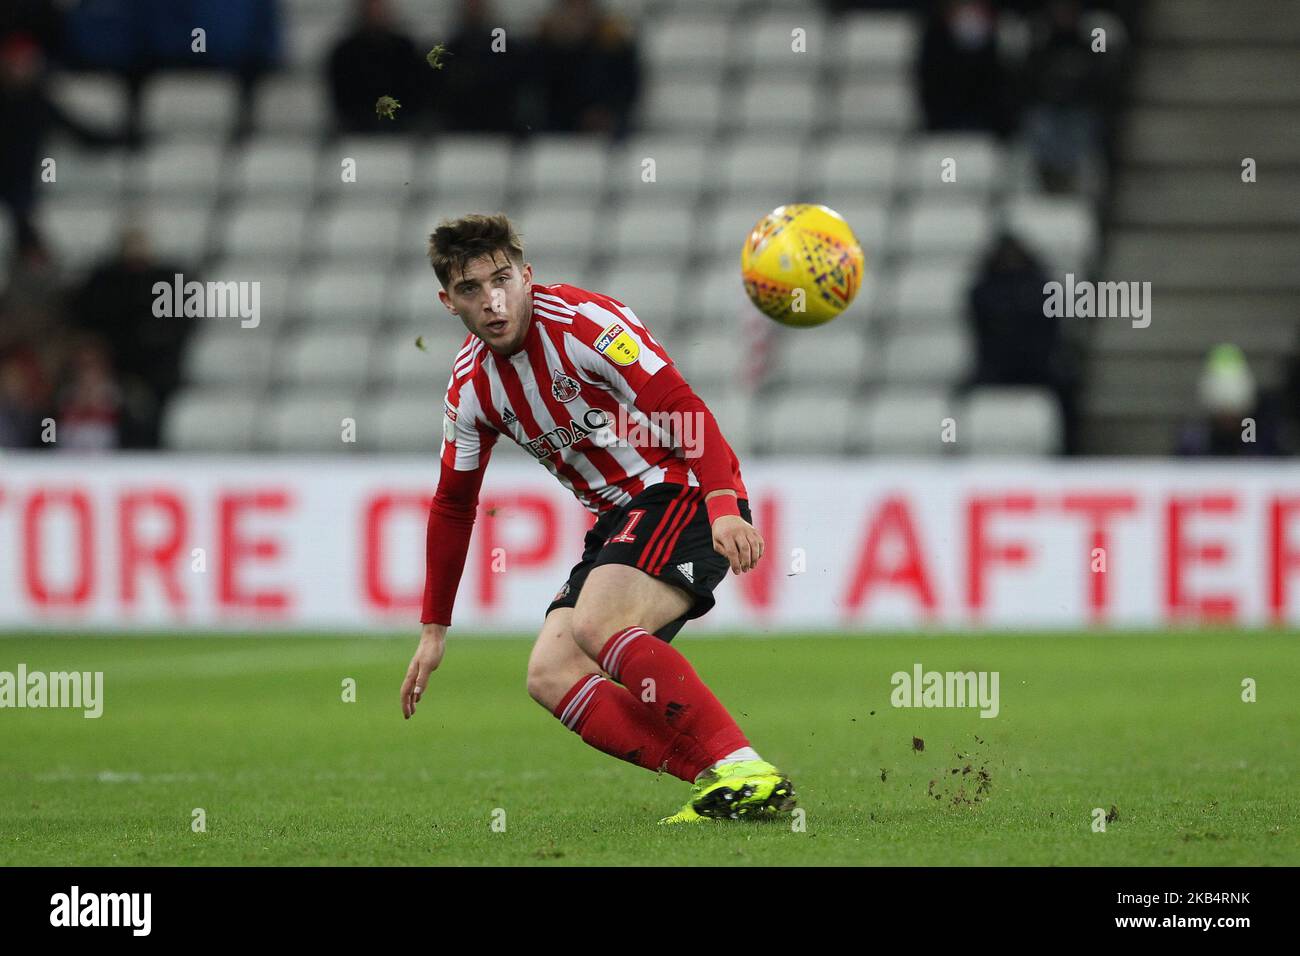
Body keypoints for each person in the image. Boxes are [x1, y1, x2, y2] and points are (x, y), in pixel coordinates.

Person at [399, 213, 795, 824]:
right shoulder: (470, 389)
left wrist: (723, 504)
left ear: (527, 275)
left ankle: (742, 764)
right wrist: (434, 629)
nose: (493, 300)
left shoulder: (585, 325)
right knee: (550, 674)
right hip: (619, 519)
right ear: (447, 301)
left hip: (681, 489)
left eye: (501, 279)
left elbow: (681, 407)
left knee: (597, 623)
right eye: (471, 289)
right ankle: (724, 780)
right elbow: (453, 503)